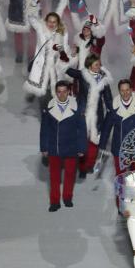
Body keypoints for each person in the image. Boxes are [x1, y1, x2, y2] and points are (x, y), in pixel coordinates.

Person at [39, 80, 87, 211]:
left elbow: (82, 129)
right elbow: (44, 129)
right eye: (59, 92)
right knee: (54, 176)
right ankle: (54, 202)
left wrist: (82, 147)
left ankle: (67, 198)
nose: (62, 95)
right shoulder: (49, 107)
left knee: (70, 174)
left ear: (69, 92)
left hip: (71, 146)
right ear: (56, 92)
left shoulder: (76, 107)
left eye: (64, 92)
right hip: (54, 147)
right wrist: (44, 147)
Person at [64, 53, 113, 178]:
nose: (99, 66)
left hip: (97, 114)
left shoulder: (104, 80)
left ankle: (89, 165)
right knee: (81, 141)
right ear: (90, 66)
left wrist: (112, 111)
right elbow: (69, 71)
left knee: (94, 141)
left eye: (99, 64)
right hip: (82, 113)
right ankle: (81, 168)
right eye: (96, 64)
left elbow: (108, 98)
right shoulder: (83, 75)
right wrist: (65, 57)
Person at [100, 79, 135, 180]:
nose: (125, 93)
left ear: (131, 90)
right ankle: (121, 195)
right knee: (120, 176)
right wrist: (102, 144)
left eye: (127, 90)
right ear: (119, 91)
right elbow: (107, 126)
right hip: (119, 147)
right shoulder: (113, 106)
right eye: (122, 90)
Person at [24, 6, 69, 99]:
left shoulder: (62, 32)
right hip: (41, 63)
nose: (51, 24)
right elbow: (30, 17)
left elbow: (65, 48)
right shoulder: (40, 28)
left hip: (55, 64)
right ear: (46, 21)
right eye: (49, 21)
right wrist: (34, 4)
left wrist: (65, 57)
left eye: (54, 22)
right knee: (40, 87)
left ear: (58, 22)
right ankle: (39, 99)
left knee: (55, 87)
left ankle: (53, 104)